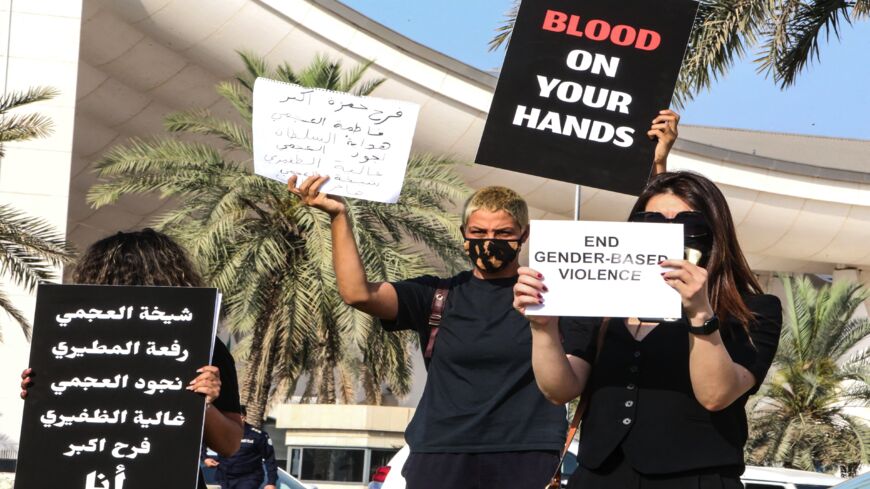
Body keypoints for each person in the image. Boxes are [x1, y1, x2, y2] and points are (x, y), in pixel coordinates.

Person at [284, 109, 678, 489]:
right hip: (440, 456)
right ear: (463, 233)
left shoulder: (556, 297)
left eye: (503, 233)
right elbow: (357, 293)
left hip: (526, 456)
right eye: (478, 231)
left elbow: (636, 262)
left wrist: (655, 166)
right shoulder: (438, 296)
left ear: (523, 236)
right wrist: (338, 216)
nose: (489, 241)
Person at [513, 171, 783, 489]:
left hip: (694, 479)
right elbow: (559, 390)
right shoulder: (600, 300)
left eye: (689, 225)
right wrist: (542, 328)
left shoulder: (751, 311)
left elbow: (716, 395)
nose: (669, 234)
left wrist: (700, 313)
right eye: (652, 222)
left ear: (715, 233)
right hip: (600, 477)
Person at [20, 229, 244, 489]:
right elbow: (54, 427)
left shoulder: (201, 345)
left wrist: (202, 405)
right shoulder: (70, 340)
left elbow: (229, 444)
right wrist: (39, 393)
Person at [202, 406, 278, 489]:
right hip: (225, 478)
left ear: (243, 417)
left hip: (249, 478)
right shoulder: (220, 431)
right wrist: (205, 458)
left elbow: (270, 459)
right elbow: (202, 443)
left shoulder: (258, 435)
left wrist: (271, 482)